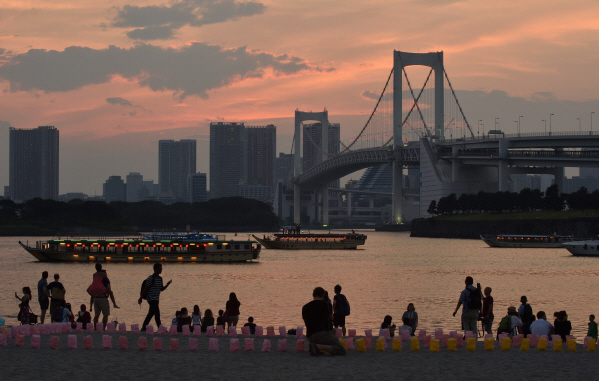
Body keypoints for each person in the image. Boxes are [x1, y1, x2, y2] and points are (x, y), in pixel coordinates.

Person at [302, 287, 346, 356]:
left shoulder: (305, 307)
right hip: (321, 334)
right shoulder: (326, 305)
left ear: (313, 295)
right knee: (341, 350)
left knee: (332, 332)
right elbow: (330, 320)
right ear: (323, 295)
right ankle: (318, 347)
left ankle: (316, 345)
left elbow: (306, 323)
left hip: (310, 336)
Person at [138, 263, 172, 331]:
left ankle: (144, 327)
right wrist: (141, 297)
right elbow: (145, 289)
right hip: (151, 298)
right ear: (155, 269)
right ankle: (160, 327)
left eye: (161, 268)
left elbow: (161, 289)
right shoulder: (151, 278)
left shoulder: (160, 279)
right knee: (157, 312)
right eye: (160, 268)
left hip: (156, 299)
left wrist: (167, 284)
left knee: (151, 313)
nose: (161, 270)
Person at [88, 264, 119, 330]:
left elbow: (88, 290)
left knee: (96, 315)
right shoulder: (105, 279)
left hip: (95, 299)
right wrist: (107, 294)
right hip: (102, 298)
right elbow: (109, 288)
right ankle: (102, 328)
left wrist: (91, 305)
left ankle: (95, 328)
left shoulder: (95, 280)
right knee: (105, 315)